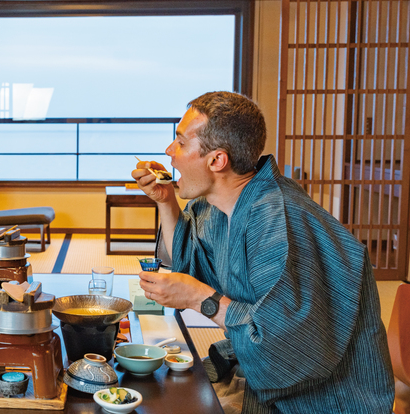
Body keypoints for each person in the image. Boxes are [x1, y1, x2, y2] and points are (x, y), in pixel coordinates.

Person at [132, 91, 394, 413]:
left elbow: (283, 347)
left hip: (325, 399)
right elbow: (187, 259)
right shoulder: (218, 206)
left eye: (181, 142)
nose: (169, 152)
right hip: (269, 384)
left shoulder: (278, 221)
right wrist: (165, 200)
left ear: (217, 160)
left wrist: (201, 299)